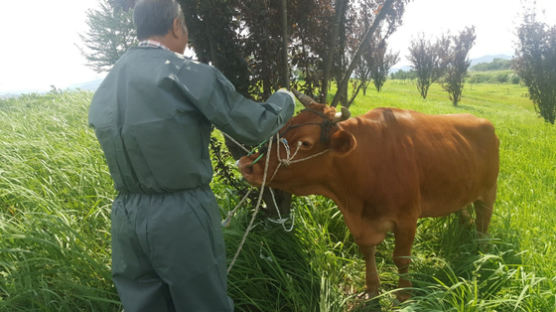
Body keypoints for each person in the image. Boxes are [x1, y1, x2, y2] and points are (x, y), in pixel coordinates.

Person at [88, 0, 295, 310]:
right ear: (176, 25)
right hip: (181, 216)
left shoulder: (109, 82)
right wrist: (284, 101)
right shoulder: (183, 72)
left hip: (126, 216)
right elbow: (254, 126)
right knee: (203, 304)